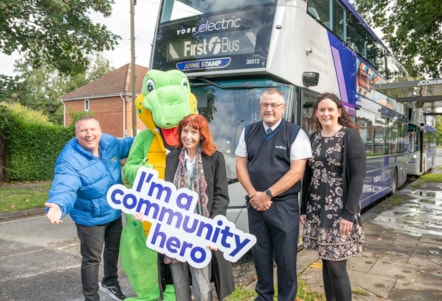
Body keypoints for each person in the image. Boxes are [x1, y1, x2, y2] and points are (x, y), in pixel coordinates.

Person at [45, 116, 134, 301]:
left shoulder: (109, 142)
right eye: (84, 130)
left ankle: (110, 282)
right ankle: (91, 297)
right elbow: (65, 184)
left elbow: (131, 144)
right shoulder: (69, 159)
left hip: (114, 211)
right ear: (76, 134)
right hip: (90, 217)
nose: (89, 134)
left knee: (113, 249)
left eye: (93, 129)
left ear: (100, 131)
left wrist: (154, 135)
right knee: (92, 259)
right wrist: (58, 204)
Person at [235, 88, 312, 301]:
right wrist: (254, 194)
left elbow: (297, 171)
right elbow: (240, 164)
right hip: (255, 204)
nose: (269, 109)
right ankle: (264, 296)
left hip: (283, 206)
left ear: (283, 108)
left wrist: (267, 194)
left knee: (286, 258)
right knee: (260, 254)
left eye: (274, 105)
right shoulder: (248, 131)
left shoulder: (295, 133)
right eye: (264, 105)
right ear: (260, 107)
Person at [300, 93, 366, 301]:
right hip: (317, 209)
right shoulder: (314, 138)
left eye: (330, 109)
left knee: (337, 266)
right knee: (327, 263)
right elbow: (307, 175)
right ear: (316, 113)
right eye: (322, 110)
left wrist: (348, 213)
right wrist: (303, 209)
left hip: (339, 211)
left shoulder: (350, 136)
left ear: (339, 112)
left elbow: (357, 176)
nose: (326, 113)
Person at [164, 113, 234, 301]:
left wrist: (213, 229)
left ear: (202, 135)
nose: (188, 136)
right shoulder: (171, 158)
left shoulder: (214, 158)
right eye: (185, 131)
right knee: (180, 288)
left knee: (202, 289)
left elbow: (221, 196)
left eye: (194, 132)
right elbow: (165, 194)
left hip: (202, 231)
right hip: (175, 231)